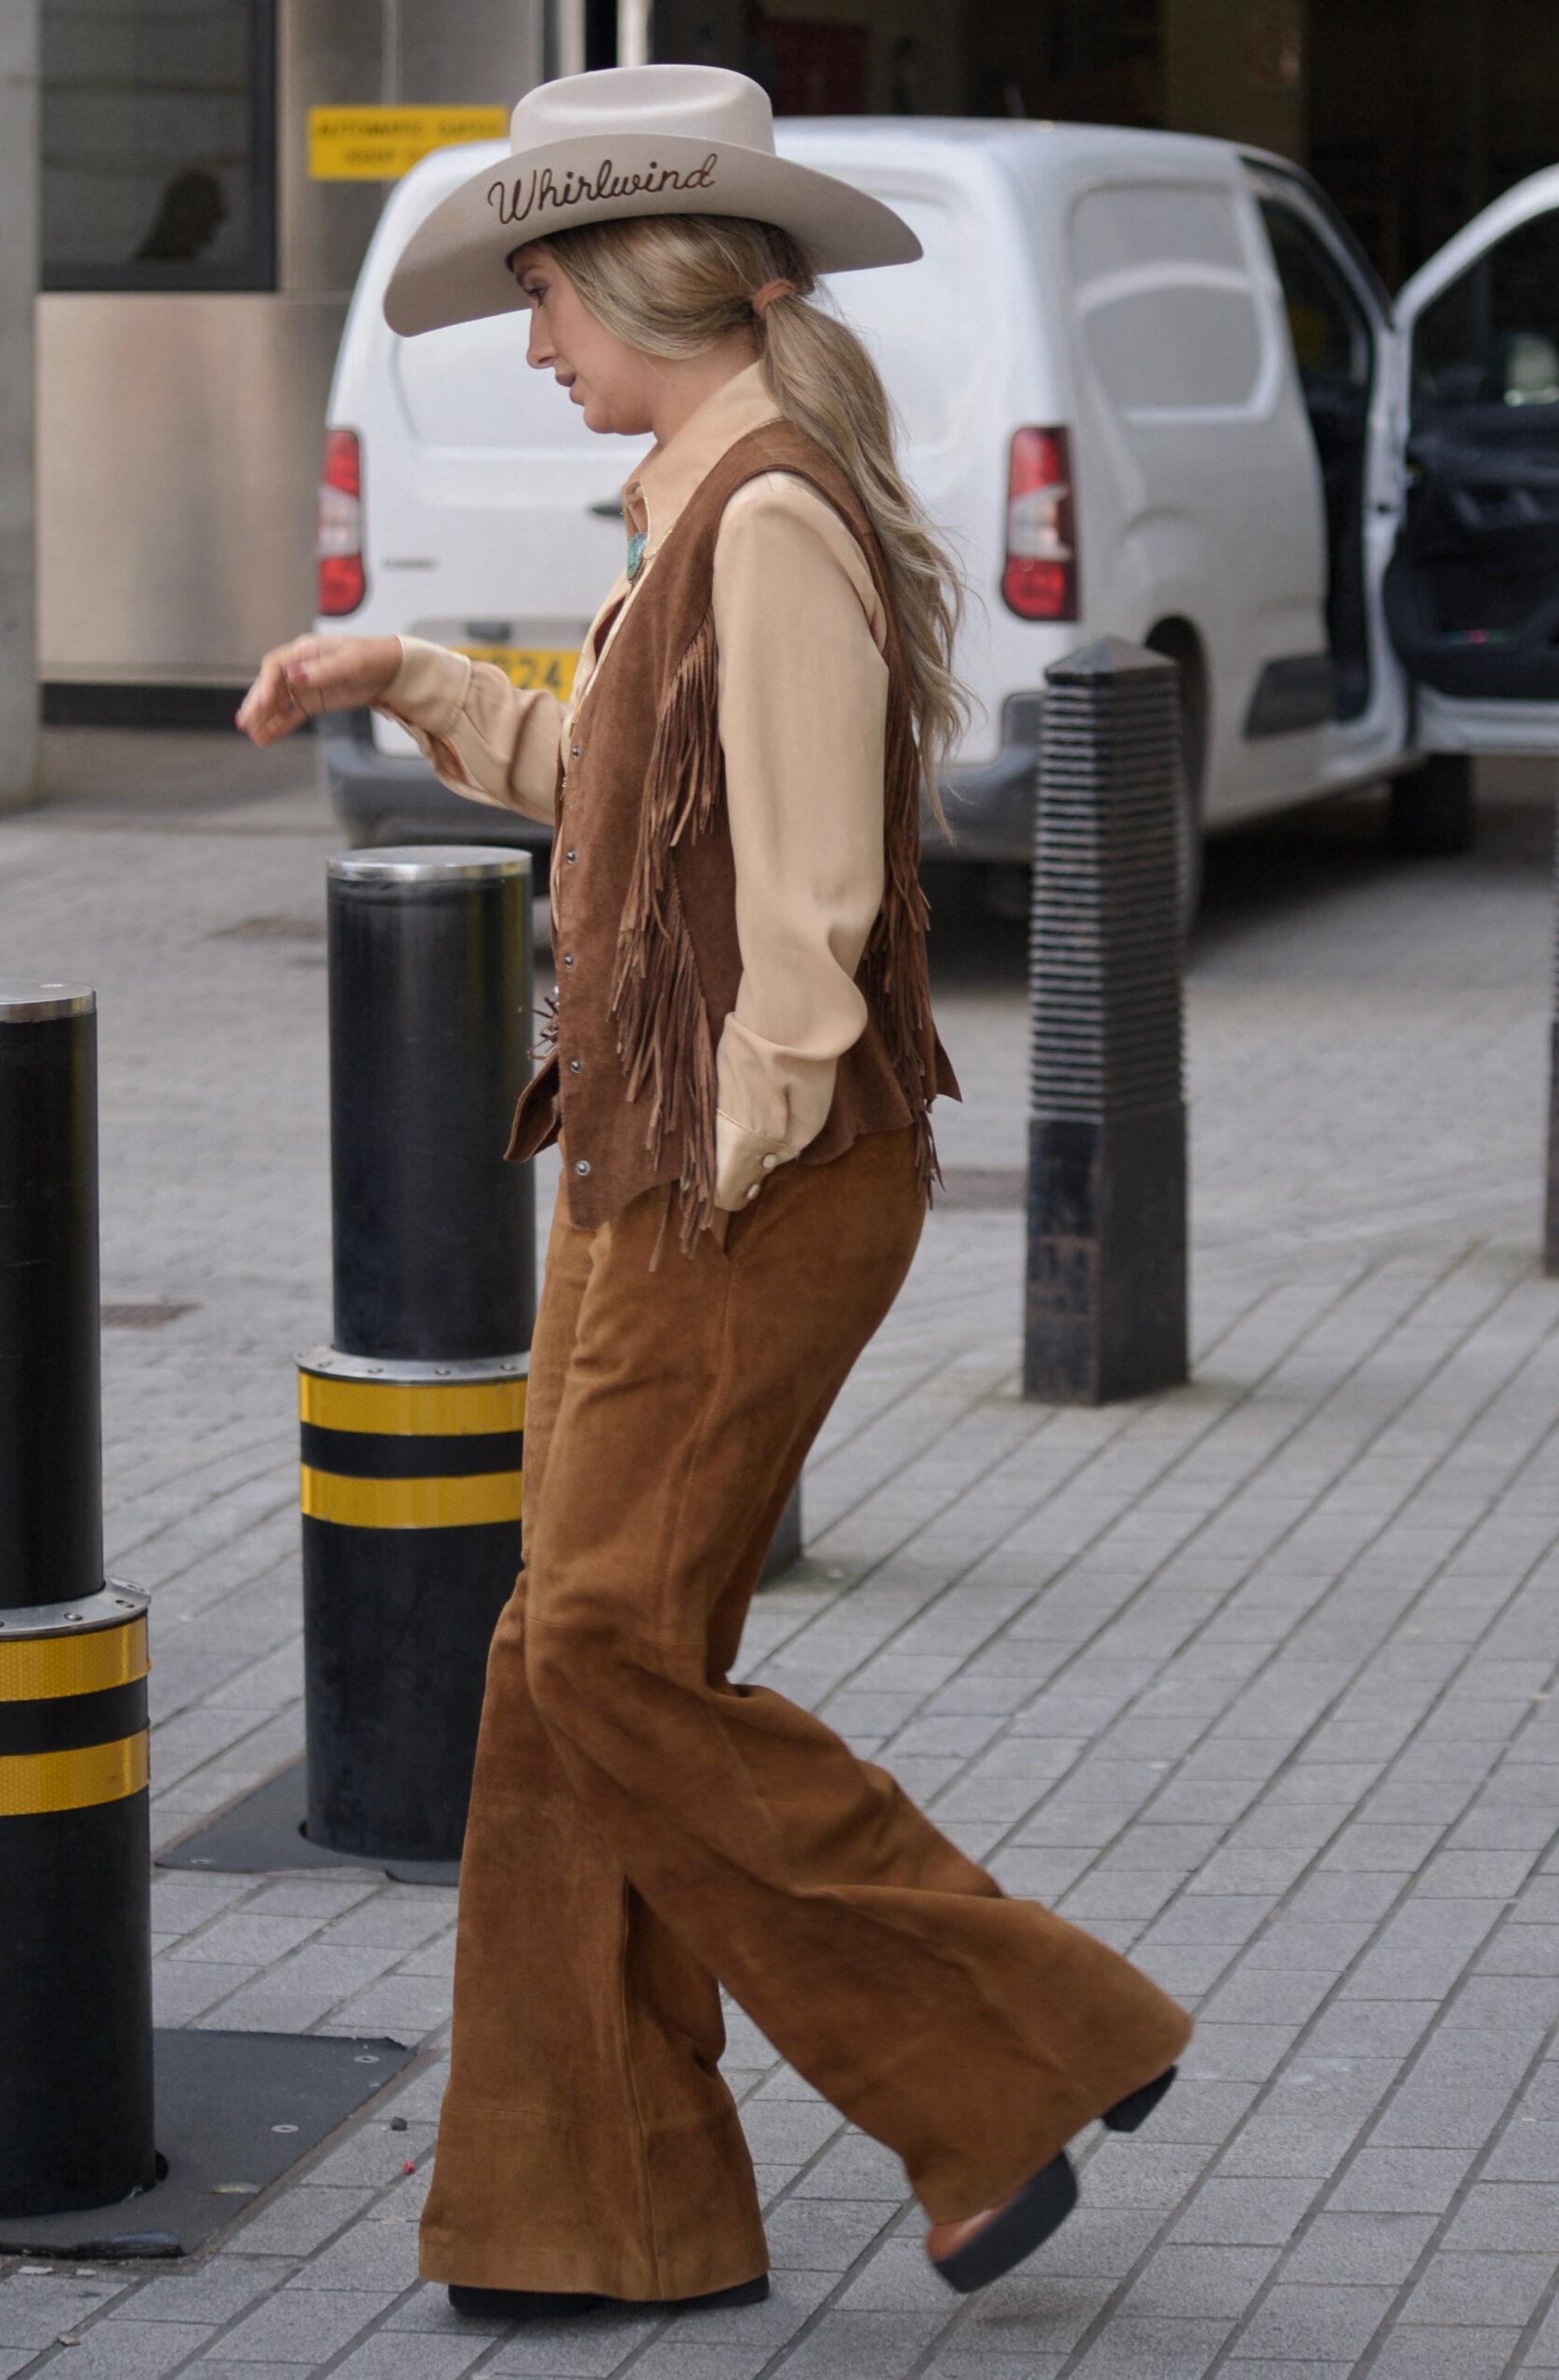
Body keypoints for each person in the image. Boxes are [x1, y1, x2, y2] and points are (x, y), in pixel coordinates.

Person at [238, 61, 1191, 2324]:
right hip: (668, 1172)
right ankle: (601, 2207)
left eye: (544, 293)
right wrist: (418, 680)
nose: (532, 338)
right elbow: (632, 788)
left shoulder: (765, 514)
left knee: (591, 1649)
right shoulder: (707, 502)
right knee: (566, 1678)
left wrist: (727, 1162)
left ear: (657, 281)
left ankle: (1020, 2039)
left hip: (738, 1186)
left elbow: (818, 912)